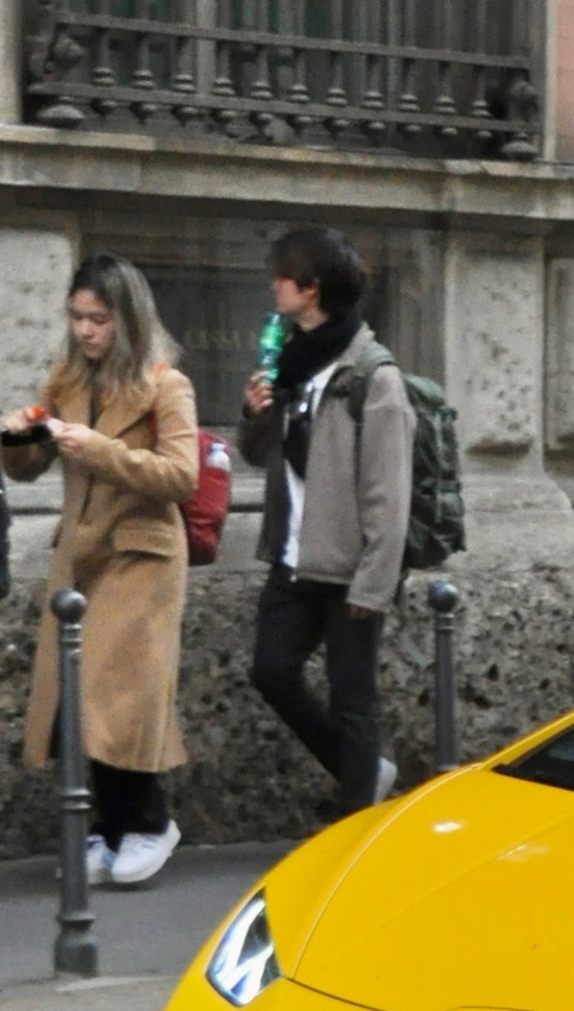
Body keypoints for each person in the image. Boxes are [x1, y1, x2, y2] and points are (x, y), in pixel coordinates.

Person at [3, 254, 198, 888]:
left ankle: (147, 822)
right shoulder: (66, 381)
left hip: (142, 557)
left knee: (118, 697)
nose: (86, 330)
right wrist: (19, 439)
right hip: (80, 556)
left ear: (127, 318)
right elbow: (28, 471)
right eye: (78, 317)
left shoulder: (166, 385)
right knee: (79, 699)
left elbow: (182, 476)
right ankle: (105, 827)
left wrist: (102, 451)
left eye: (99, 319)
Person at [239, 227, 409, 816]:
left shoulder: (372, 376)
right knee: (271, 670)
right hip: (291, 559)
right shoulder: (288, 363)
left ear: (311, 290)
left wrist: (374, 582)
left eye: (283, 276)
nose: (274, 284)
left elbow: (390, 492)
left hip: (346, 564)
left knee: (352, 698)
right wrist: (255, 413)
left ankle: (358, 817)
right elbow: (260, 455)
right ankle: (359, 767)